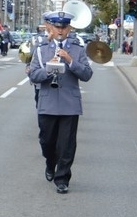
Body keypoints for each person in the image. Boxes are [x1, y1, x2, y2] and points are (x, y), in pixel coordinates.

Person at [27, 10, 93, 193]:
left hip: (69, 104)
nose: (61, 30)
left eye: (64, 27)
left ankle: (62, 178)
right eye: (57, 27)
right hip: (47, 103)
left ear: (69, 28)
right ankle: (50, 163)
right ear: (52, 28)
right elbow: (33, 75)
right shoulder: (41, 50)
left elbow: (87, 74)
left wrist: (70, 61)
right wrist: (49, 69)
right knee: (47, 141)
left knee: (67, 144)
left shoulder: (78, 50)